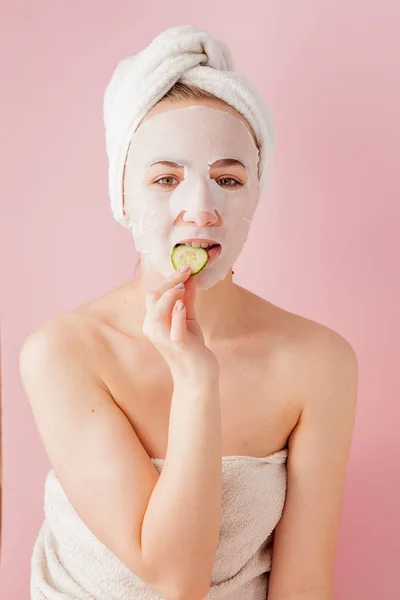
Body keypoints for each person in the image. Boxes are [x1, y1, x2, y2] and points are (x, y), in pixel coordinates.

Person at [19, 25, 358, 600]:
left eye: (228, 178)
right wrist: (197, 381)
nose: (200, 210)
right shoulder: (62, 351)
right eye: (166, 179)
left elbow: (303, 583)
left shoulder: (320, 361)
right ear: (122, 197)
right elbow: (175, 580)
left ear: (256, 194)